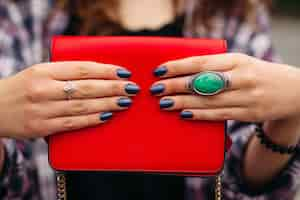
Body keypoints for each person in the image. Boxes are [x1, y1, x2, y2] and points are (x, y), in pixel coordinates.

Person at [0, 0, 299, 199]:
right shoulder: (26, 8)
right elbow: (13, 178)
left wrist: (293, 109)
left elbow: (245, 177)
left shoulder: (232, 9)